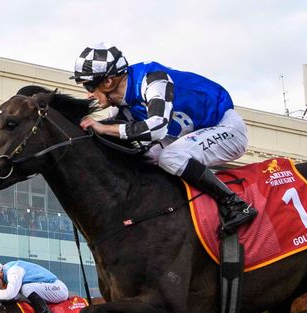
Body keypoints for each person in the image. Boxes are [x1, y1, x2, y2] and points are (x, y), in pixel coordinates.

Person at [71, 44, 256, 233]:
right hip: (187, 135)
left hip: (225, 127)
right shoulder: (119, 105)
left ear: (108, 82)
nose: (88, 94)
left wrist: (103, 127)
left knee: (170, 157)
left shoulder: (153, 79)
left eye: (89, 86)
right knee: (147, 157)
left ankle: (235, 203)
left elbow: (157, 127)